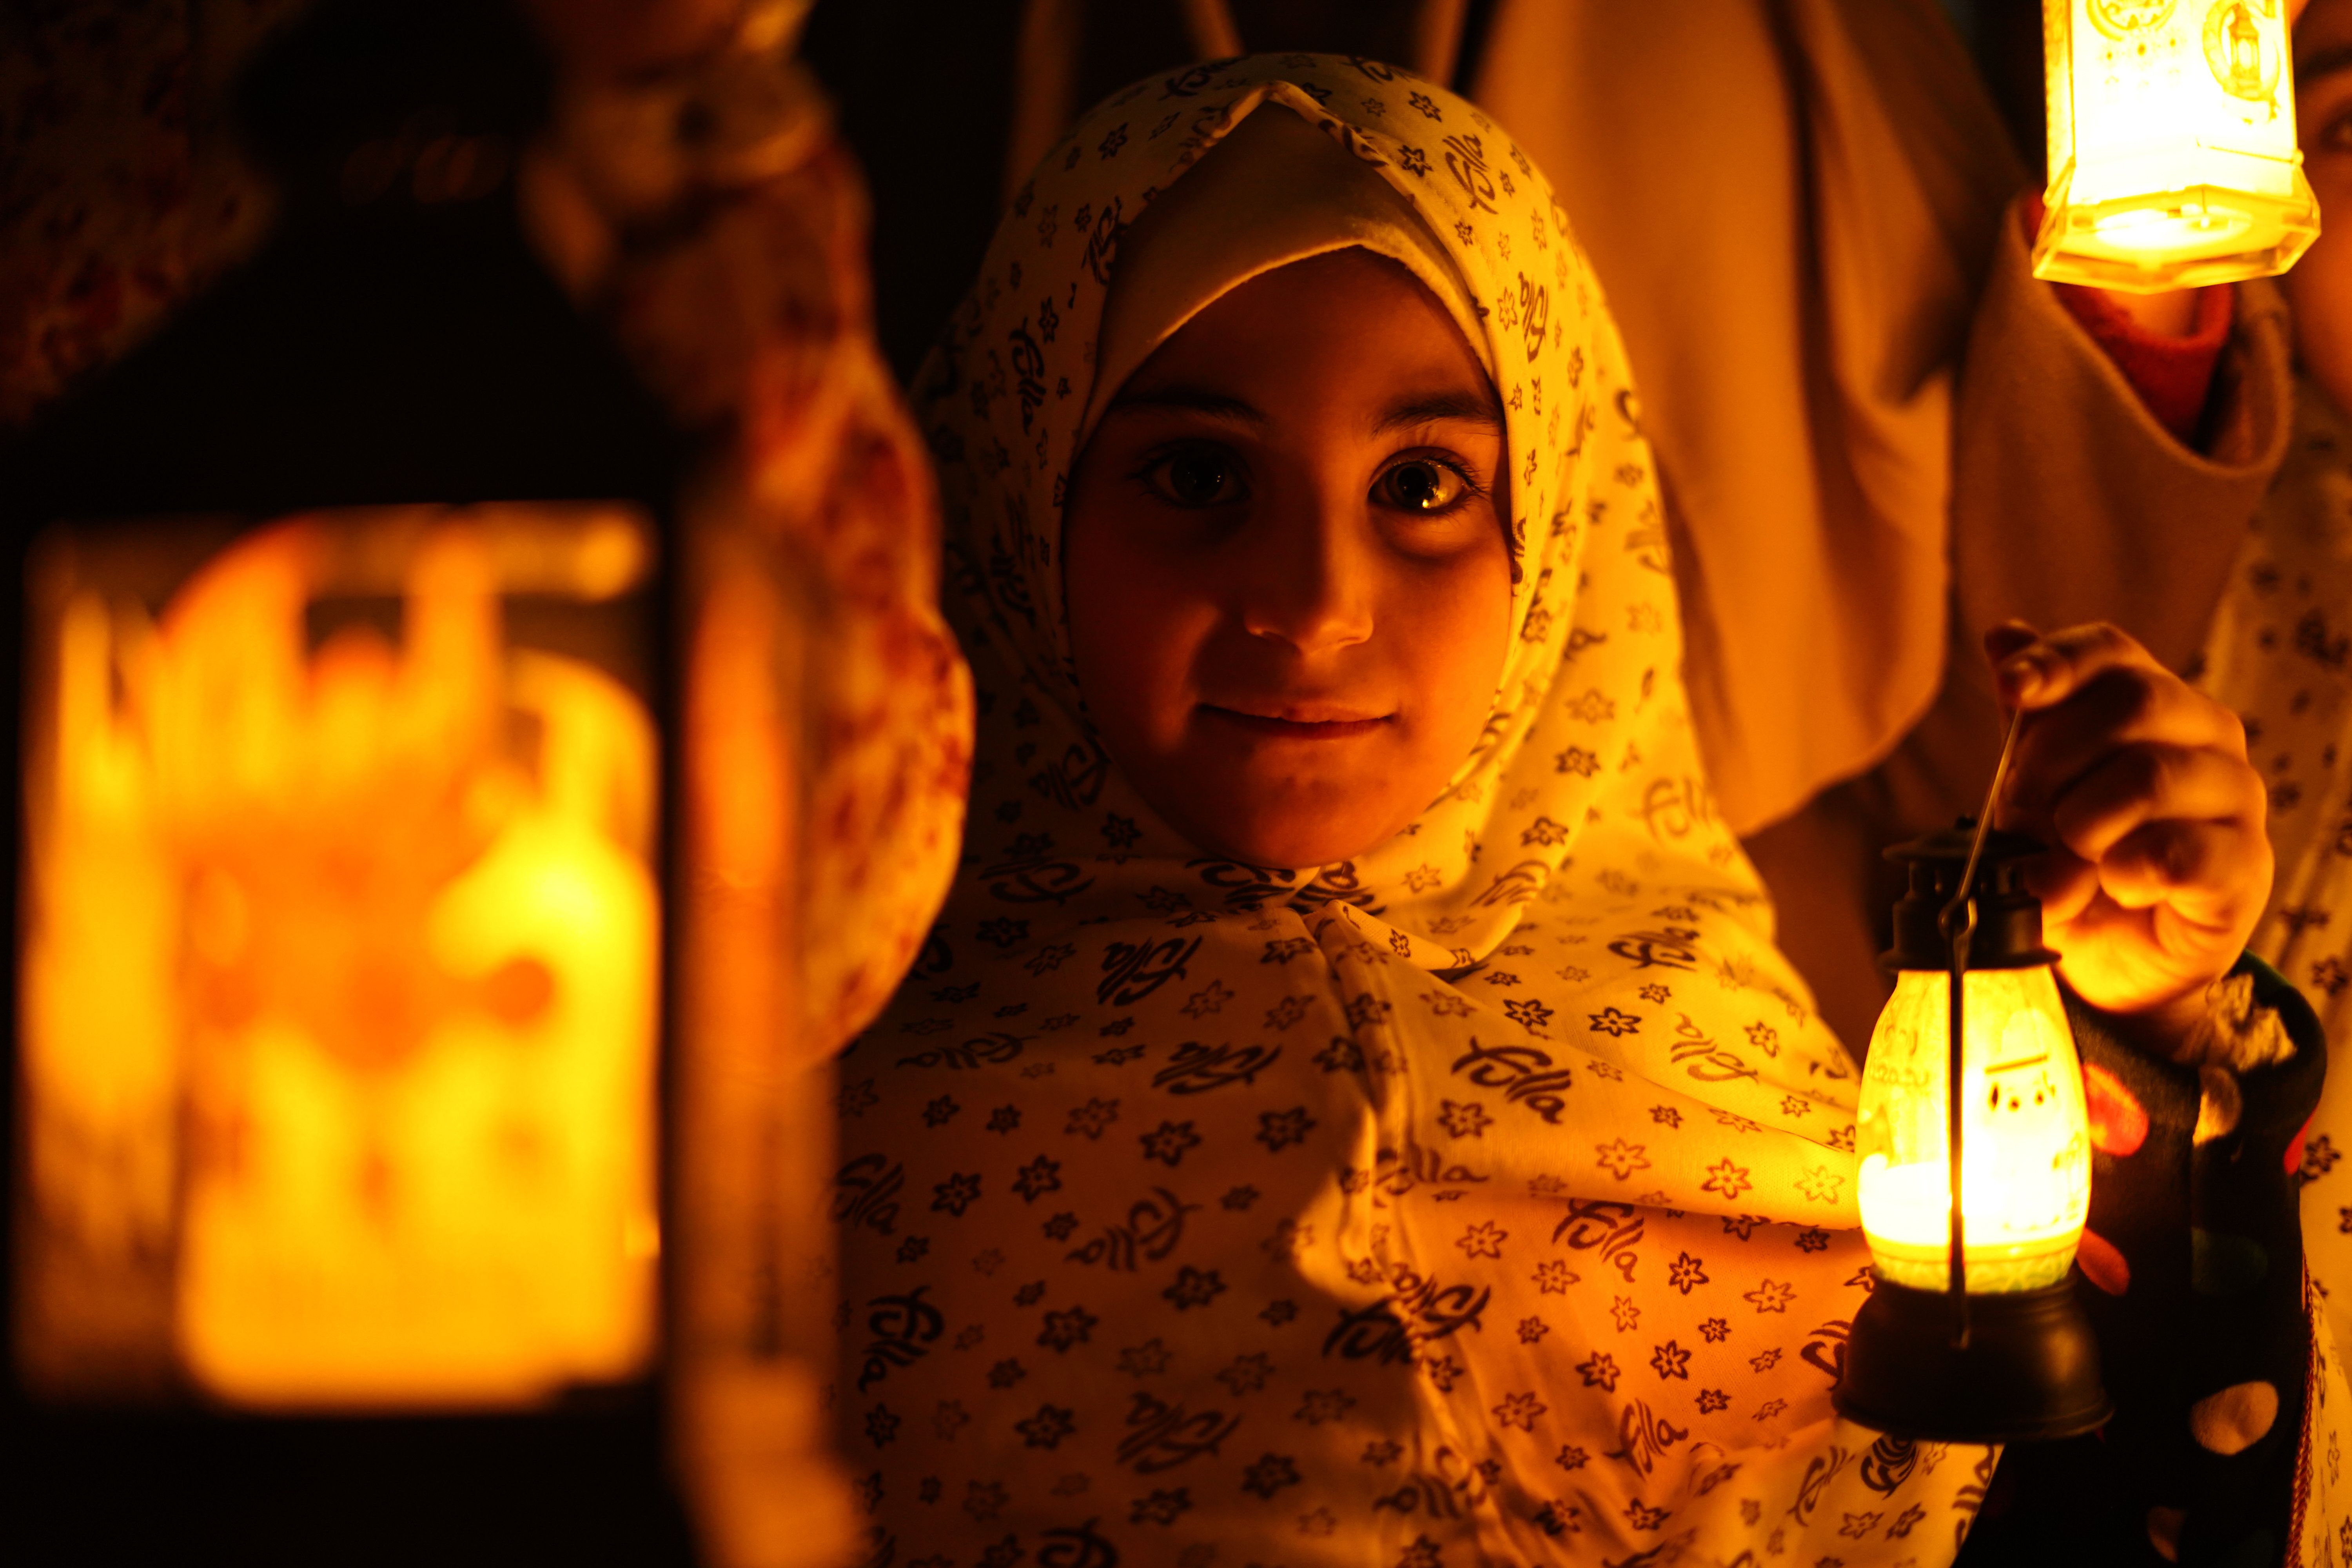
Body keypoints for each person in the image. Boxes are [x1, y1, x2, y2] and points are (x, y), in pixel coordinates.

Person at [834, 56, 2327, 1565]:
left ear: (1560, 536)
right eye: (1197, 473)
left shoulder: (1747, 1087)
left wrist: (2161, 1029)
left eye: (1421, 486)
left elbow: (2098, 1505)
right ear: (1026, 497)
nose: (1312, 605)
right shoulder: (844, 1141)